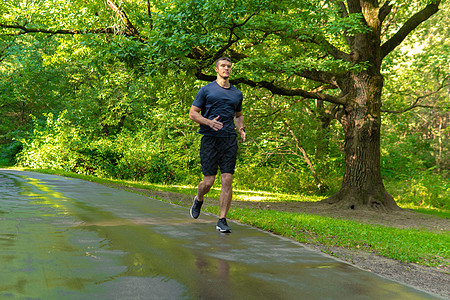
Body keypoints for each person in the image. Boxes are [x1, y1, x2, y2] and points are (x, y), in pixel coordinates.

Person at [188, 57, 246, 233]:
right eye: (223, 66)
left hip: (229, 139)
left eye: (229, 66)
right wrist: (208, 122)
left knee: (227, 179)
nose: (226, 68)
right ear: (216, 69)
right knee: (208, 181)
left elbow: (238, 115)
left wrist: (241, 128)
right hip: (210, 139)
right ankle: (199, 198)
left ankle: (222, 219)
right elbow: (193, 113)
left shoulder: (237, 94)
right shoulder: (206, 90)